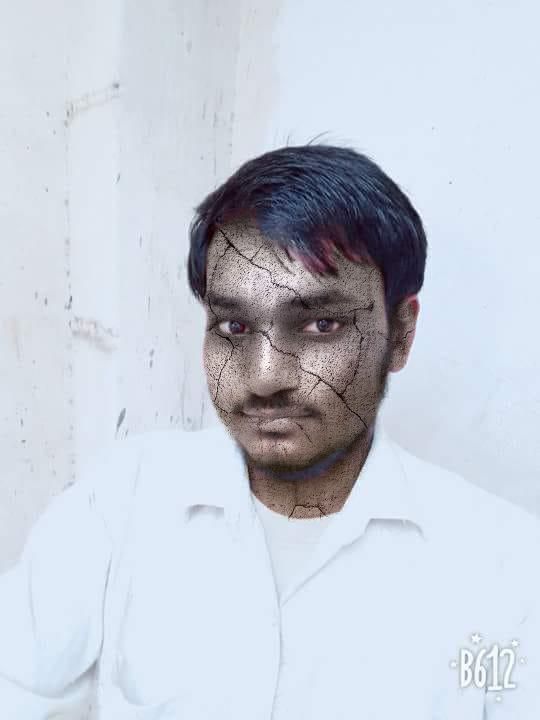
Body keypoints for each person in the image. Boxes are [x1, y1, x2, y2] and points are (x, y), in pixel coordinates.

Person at [1, 144, 539, 719]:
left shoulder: (504, 566)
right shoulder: (119, 504)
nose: (263, 379)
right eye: (233, 326)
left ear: (401, 334)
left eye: (321, 324)